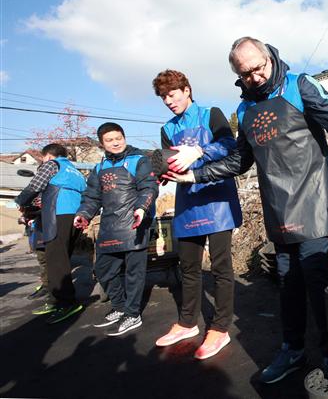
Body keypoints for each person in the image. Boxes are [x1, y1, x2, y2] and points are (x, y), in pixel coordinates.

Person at [164, 37, 328, 383]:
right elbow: (240, 160)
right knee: (288, 285)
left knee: (317, 283)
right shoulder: (244, 110)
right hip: (278, 210)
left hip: (313, 203)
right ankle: (293, 349)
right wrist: (194, 174)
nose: (255, 76)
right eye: (246, 73)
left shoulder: (299, 85)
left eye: (259, 67)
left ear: (270, 57)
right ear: (238, 75)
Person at [152, 69, 242, 359]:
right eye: (164, 97)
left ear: (187, 90)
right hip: (187, 202)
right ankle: (188, 322)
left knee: (220, 267)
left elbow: (230, 146)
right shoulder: (167, 128)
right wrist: (162, 174)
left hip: (216, 199)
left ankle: (219, 328)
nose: (168, 100)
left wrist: (199, 151)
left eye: (172, 94)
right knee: (188, 267)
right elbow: (171, 163)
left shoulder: (211, 114)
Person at [73, 123, 158, 336]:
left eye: (118, 137)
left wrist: (141, 209)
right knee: (103, 270)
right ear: (102, 144)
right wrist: (83, 214)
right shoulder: (99, 168)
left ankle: (132, 314)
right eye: (110, 140)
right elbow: (92, 197)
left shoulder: (139, 160)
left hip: (134, 224)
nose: (116, 142)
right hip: (109, 227)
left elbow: (149, 187)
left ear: (124, 137)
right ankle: (120, 306)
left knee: (133, 273)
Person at [15, 143, 87, 324]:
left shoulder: (52, 164)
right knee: (62, 259)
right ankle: (56, 300)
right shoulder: (75, 171)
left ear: (48, 156)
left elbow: (35, 185)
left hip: (58, 214)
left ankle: (66, 303)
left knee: (55, 259)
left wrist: (20, 201)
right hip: (76, 216)